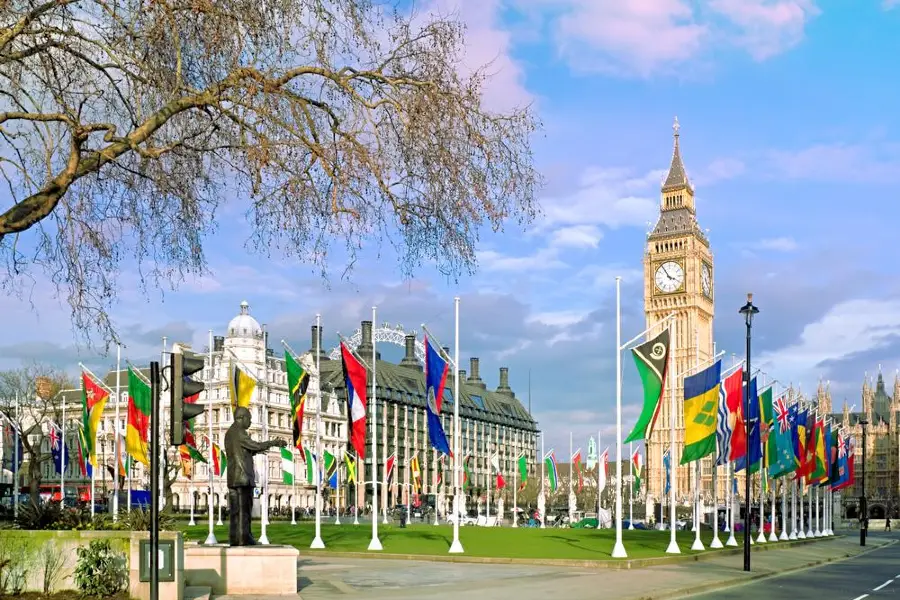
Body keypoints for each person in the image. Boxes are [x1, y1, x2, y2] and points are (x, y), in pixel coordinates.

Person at [224, 406, 288, 546]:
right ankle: (244, 538)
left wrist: (255, 452)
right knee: (244, 510)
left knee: (236, 511)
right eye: (249, 419)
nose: (250, 422)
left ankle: (235, 538)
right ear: (241, 418)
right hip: (242, 476)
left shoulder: (230, 433)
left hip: (233, 477)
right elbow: (255, 445)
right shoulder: (239, 432)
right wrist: (274, 442)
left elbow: (242, 451)